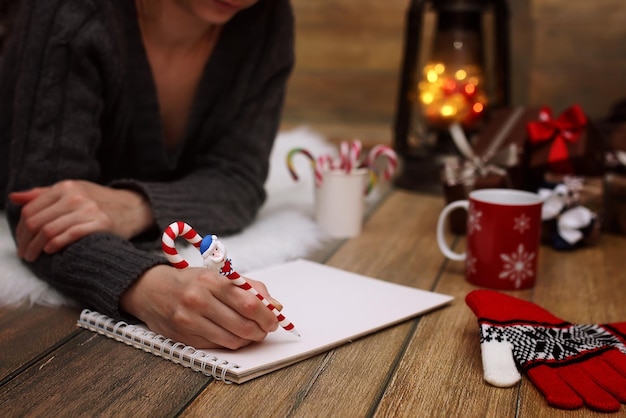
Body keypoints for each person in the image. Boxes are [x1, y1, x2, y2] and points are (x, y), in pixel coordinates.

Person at [0, 0, 294, 350]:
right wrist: (149, 286)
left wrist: (136, 206)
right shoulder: (65, 11)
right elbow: (41, 218)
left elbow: (238, 178)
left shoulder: (267, 19)